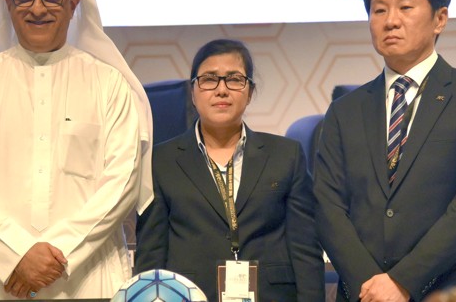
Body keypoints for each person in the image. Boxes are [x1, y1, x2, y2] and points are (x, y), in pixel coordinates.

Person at [0, 0, 154, 299]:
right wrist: (16, 255)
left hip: (86, 280)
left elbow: (121, 184)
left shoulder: (109, 84)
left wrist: (55, 256)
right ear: (8, 4)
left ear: (74, 3)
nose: (37, 8)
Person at [314, 0, 456, 302]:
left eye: (405, 7)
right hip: (363, 293)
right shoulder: (344, 111)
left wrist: (402, 281)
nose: (391, 22)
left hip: (451, 289)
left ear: (440, 19)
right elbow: (328, 207)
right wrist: (371, 284)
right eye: (379, 10)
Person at [134, 39, 324, 302]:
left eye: (234, 79)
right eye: (209, 79)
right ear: (193, 91)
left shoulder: (285, 155)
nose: (221, 90)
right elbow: (151, 252)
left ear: (250, 92)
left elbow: (305, 250)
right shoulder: (161, 161)